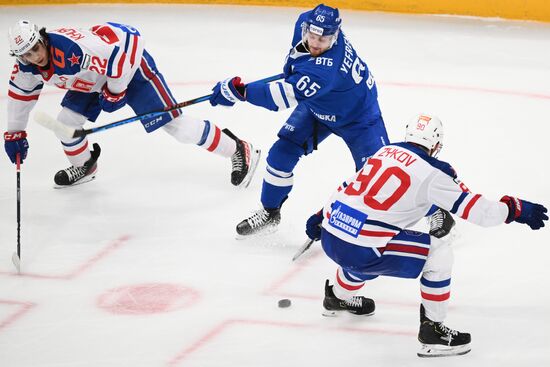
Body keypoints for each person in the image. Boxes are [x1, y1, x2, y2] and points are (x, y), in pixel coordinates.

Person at [304, 113, 548, 357]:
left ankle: (337, 296)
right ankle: (434, 332)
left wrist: (319, 216)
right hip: (362, 249)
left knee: (376, 241)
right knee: (437, 253)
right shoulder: (434, 171)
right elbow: (479, 212)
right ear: (437, 144)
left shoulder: (383, 152)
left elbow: (347, 188)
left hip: (331, 234)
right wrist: (514, 209)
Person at [4, 20, 260, 188]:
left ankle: (237, 148)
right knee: (65, 124)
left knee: (178, 128)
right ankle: (85, 166)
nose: (34, 57)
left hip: (130, 66)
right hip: (92, 79)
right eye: (26, 54)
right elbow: (20, 97)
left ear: (42, 38)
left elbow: (122, 52)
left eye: (35, 48)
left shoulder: (74, 49)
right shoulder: (27, 67)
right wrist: (15, 132)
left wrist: (116, 91)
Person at [208, 4, 389, 236]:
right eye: (312, 36)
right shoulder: (305, 23)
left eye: (322, 41)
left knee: (380, 178)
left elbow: (278, 98)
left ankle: (437, 208)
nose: (315, 43)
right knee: (280, 155)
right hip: (318, 107)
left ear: (334, 37)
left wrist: (239, 92)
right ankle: (270, 212)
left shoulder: (325, 71)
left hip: (359, 117)